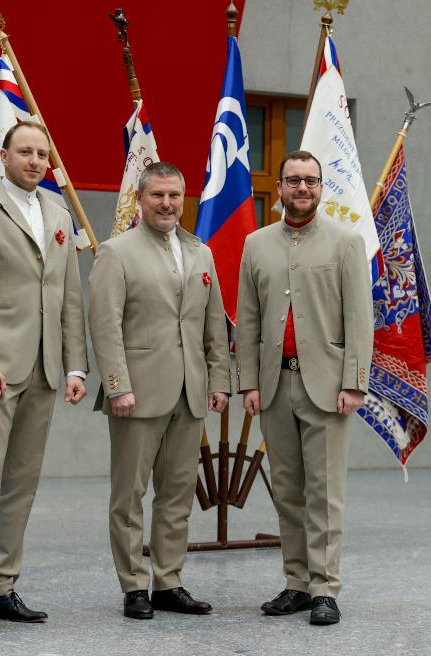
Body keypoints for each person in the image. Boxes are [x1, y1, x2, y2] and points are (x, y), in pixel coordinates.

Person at [0, 120, 89, 634]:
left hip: (46, 369)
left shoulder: (57, 213)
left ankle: (3, 585)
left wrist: (75, 365)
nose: (34, 161)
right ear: (3, 156)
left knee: (21, 486)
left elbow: (70, 296)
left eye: (41, 154)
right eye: (24, 151)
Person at [236, 150, 373, 626]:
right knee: (288, 491)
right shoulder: (256, 244)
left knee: (325, 492)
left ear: (321, 188)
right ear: (279, 188)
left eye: (311, 181)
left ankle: (325, 588)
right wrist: (248, 381)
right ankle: (296, 583)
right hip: (275, 385)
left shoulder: (345, 243)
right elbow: (248, 320)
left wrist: (355, 382)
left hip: (327, 386)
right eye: (293, 180)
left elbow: (359, 317)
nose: (302, 188)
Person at [89, 161, 231, 620]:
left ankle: (169, 581)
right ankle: (134, 585)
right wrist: (117, 385)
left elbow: (214, 324)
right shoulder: (116, 252)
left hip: (190, 393)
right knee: (129, 495)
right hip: (137, 393)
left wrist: (219, 380)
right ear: (141, 199)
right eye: (157, 196)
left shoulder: (201, 253)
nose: (167, 204)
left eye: (174, 195)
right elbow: (105, 325)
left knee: (177, 494)